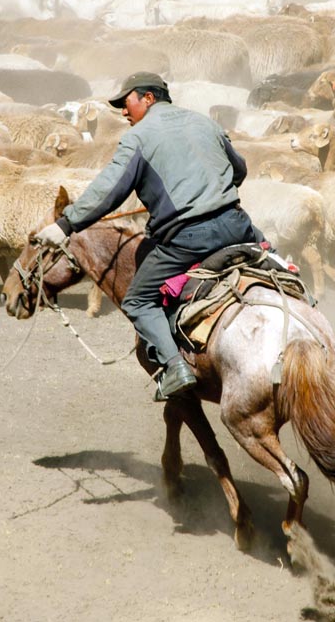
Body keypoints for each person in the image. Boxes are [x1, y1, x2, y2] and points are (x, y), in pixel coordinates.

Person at [33, 72, 259, 401]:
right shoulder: (204, 122)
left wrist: (66, 225)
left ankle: (175, 368)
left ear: (148, 98)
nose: (124, 113)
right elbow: (238, 170)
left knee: (138, 300)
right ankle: (303, 298)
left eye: (126, 104)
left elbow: (108, 190)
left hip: (189, 238)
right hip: (238, 225)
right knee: (270, 257)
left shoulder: (138, 138)